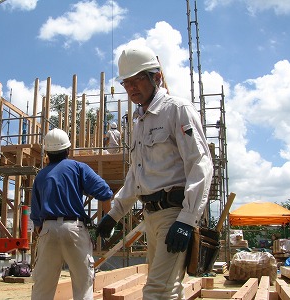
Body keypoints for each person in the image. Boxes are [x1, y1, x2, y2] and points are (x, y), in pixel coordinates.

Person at [95, 45, 213, 300]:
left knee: (157, 291)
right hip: (151, 216)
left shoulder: (177, 110)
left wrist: (187, 219)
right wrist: (115, 214)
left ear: (156, 77)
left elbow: (200, 163)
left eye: (137, 80)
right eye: (127, 83)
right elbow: (135, 176)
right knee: (169, 289)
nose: (131, 88)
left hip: (174, 213)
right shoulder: (139, 121)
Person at [30, 128, 113, 300]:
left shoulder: (40, 177)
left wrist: (45, 231)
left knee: (42, 289)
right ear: (68, 150)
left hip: (47, 228)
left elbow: (36, 218)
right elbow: (105, 192)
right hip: (74, 227)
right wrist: (109, 221)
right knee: (83, 286)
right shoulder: (78, 167)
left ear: (47, 153)